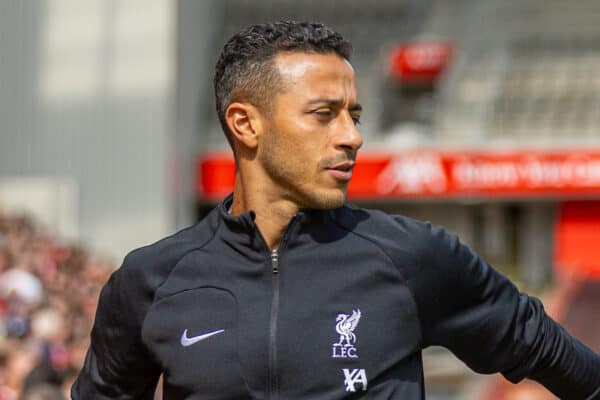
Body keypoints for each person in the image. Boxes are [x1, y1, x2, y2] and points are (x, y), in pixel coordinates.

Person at [72, 21, 600, 399]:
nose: (352, 137)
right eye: (324, 115)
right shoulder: (152, 279)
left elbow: (572, 370)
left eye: (354, 115)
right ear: (245, 124)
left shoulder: (415, 255)